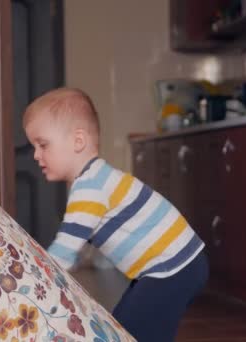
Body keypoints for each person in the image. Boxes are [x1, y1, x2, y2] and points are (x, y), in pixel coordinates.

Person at [23, 87, 209, 342]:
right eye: (34, 146)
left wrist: (32, 279)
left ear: (78, 141)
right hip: (172, 264)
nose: (36, 155)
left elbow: (65, 250)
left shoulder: (90, 188)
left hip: (172, 266)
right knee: (122, 326)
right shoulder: (94, 179)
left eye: (43, 145)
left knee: (134, 332)